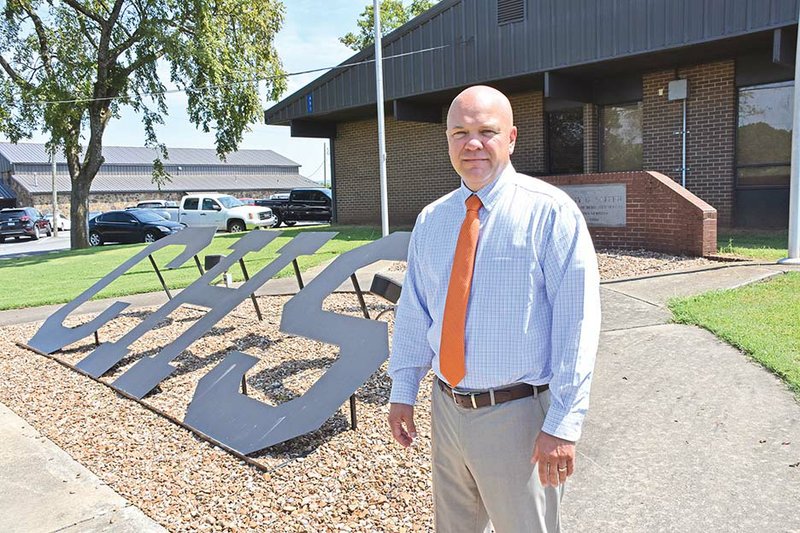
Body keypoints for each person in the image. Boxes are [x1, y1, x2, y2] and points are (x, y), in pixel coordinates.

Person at [387, 85, 601, 532]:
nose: (473, 144)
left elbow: (577, 326)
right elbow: (415, 313)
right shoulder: (432, 220)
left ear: (512, 138)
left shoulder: (551, 213)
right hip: (447, 411)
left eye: (487, 131)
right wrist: (403, 389)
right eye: (459, 132)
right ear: (447, 140)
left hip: (518, 417)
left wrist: (562, 423)